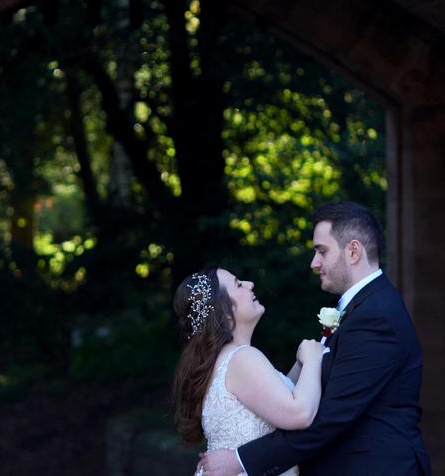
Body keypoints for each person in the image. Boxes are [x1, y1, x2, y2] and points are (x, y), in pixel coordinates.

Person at [198, 201, 431, 476]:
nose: (314, 263)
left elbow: (331, 419)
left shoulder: (376, 315)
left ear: (353, 251)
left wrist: (240, 460)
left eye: (321, 251)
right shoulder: (363, 309)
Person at [172, 264, 328, 476]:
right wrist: (312, 360)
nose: (250, 284)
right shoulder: (242, 358)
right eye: (238, 284)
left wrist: (301, 365)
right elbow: (300, 414)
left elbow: (274, 400)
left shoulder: (222, 359)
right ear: (225, 311)